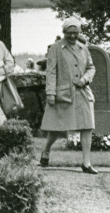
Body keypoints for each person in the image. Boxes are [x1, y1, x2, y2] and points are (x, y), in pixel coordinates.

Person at [39, 18, 98, 175]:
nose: (73, 36)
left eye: (76, 33)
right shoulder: (56, 48)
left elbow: (91, 68)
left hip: (83, 93)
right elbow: (51, 72)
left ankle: (86, 162)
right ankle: (45, 151)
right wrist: (50, 93)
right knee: (57, 128)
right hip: (63, 93)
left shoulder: (83, 48)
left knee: (87, 126)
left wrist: (85, 79)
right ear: (64, 32)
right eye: (70, 33)